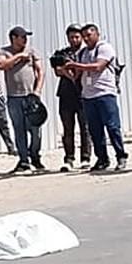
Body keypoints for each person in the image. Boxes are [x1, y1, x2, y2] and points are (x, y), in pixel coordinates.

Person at [67, 23, 128, 172]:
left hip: (105, 93)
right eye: (85, 36)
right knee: (95, 130)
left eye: (89, 35)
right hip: (88, 95)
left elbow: (98, 66)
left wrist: (76, 65)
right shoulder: (83, 53)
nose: (87, 39)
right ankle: (102, 159)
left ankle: (121, 156)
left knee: (112, 127)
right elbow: (77, 76)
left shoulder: (104, 48)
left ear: (97, 34)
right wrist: (66, 69)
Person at [0, 26, 46, 173]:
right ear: (13, 38)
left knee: (36, 129)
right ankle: (24, 160)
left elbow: (40, 71)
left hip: (31, 96)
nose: (25, 39)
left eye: (26, 37)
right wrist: (18, 57)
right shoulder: (4, 51)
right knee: (19, 130)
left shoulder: (32, 51)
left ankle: (35, 155)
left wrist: (37, 91)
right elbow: (1, 65)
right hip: (14, 97)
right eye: (22, 37)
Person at [53, 25, 92, 172]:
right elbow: (57, 70)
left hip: (83, 93)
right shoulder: (62, 53)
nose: (74, 40)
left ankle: (85, 158)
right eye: (71, 37)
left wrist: (72, 72)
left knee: (85, 128)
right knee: (67, 128)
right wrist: (69, 73)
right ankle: (69, 158)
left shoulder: (86, 53)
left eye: (77, 37)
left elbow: (86, 69)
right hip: (66, 94)